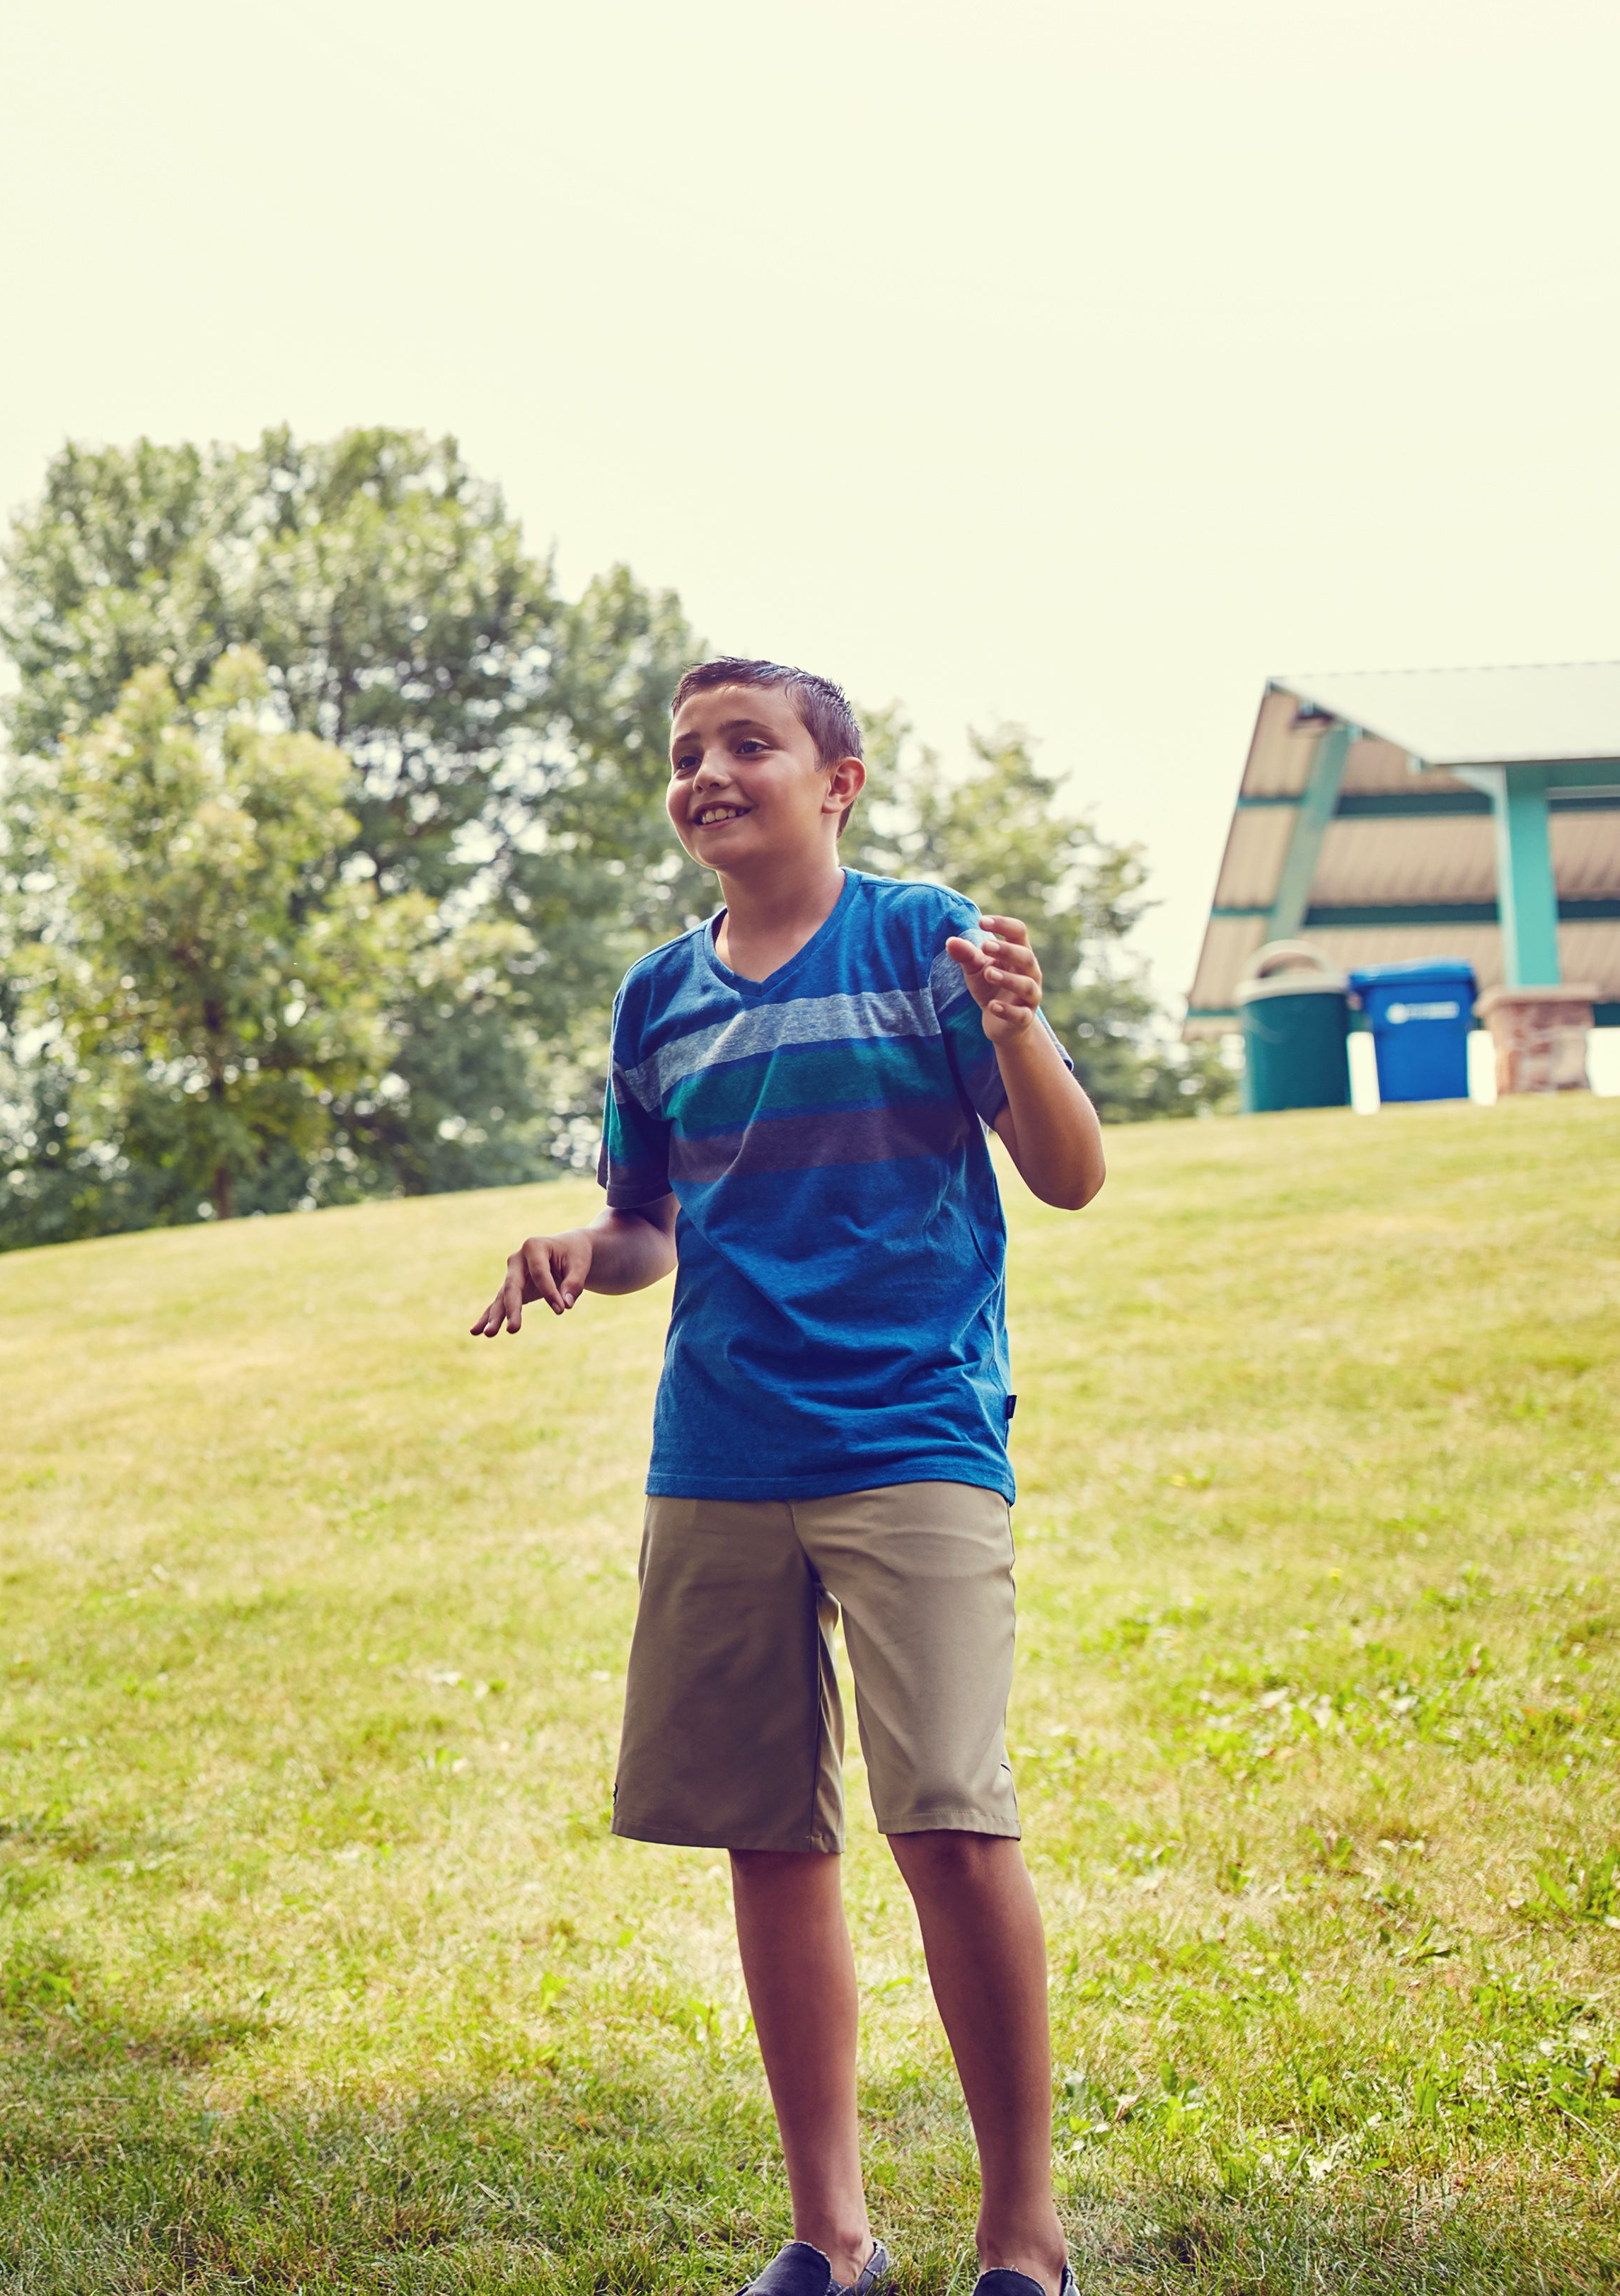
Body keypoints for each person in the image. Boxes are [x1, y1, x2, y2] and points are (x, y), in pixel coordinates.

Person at [470, 655, 1104, 2296]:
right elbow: (645, 1227)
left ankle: (1019, 2234)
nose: (706, 773)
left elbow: (1067, 1173)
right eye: (684, 753)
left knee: (949, 1820)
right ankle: (829, 2233)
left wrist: (1020, 1034)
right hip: (721, 1450)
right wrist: (573, 1250)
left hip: (909, 1438)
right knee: (768, 1833)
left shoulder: (920, 939)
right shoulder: (655, 999)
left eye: (746, 743)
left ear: (839, 778)